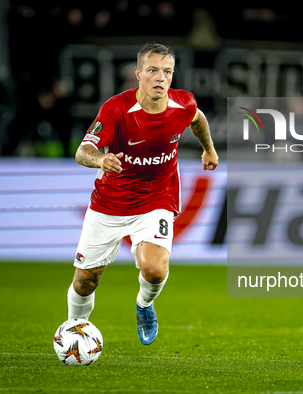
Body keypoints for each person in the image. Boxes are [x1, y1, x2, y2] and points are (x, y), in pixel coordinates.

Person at [67, 43, 219, 345]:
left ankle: (145, 305)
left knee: (154, 268)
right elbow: (83, 150)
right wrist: (100, 159)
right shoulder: (116, 109)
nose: (160, 78)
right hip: (109, 203)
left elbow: (197, 118)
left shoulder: (183, 104)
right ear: (138, 74)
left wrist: (209, 149)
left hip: (156, 199)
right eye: (152, 71)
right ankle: (76, 330)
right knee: (85, 283)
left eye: (167, 72)